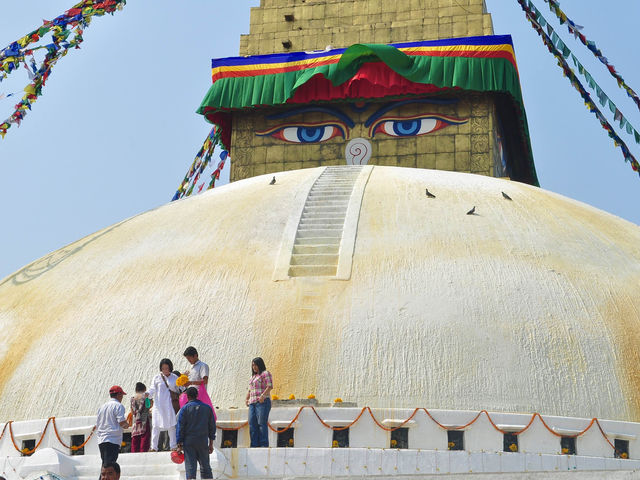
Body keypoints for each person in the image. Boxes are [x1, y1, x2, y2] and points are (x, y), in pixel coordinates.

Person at [176, 386, 216, 480]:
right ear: (197, 395)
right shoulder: (207, 408)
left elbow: (180, 427)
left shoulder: (184, 409)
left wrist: (179, 444)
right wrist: (211, 444)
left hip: (189, 442)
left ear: (187, 396)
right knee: (205, 467)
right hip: (202, 441)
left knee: (190, 468)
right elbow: (212, 427)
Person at [146, 358, 179, 452]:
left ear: (170, 368)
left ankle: (173, 446)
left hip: (169, 404)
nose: (165, 370)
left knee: (171, 425)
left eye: (167, 368)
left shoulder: (174, 377)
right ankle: (153, 447)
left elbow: (179, 389)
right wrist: (147, 394)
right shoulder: (156, 377)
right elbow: (152, 389)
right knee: (156, 426)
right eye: (163, 368)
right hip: (158, 405)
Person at [96, 386, 129, 468]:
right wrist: (128, 425)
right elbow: (122, 422)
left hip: (101, 440)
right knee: (109, 467)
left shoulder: (102, 407)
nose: (122, 397)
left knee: (105, 465)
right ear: (119, 394)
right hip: (112, 440)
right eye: (122, 395)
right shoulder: (118, 406)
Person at [245, 357, 273, 447]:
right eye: (253, 365)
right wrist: (246, 399)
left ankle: (263, 445)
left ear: (260, 364)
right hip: (252, 403)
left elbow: (270, 386)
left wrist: (263, 396)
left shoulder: (265, 373)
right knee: (252, 423)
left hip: (262, 402)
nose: (254, 367)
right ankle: (254, 444)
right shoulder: (252, 377)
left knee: (261, 423)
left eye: (256, 365)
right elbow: (250, 390)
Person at [182, 346, 214, 415]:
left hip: (199, 396)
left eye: (189, 358)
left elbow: (205, 381)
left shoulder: (203, 366)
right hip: (190, 397)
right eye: (187, 359)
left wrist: (190, 383)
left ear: (195, 355)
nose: (189, 360)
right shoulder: (191, 367)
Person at [130, 382, 152, 452]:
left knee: (135, 438)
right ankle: (143, 452)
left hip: (135, 420)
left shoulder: (132, 398)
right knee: (144, 437)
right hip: (144, 419)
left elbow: (132, 411)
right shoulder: (145, 397)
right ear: (144, 389)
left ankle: (134, 453)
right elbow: (149, 406)